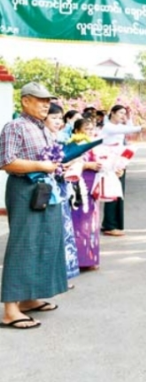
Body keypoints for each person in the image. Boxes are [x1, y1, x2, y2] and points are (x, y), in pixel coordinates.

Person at [0, 82, 67, 330]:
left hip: (45, 191)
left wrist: (59, 167)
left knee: (45, 241)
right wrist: (42, 167)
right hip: (24, 190)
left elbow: (49, 159)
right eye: (40, 100)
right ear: (25, 101)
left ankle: (28, 299)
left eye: (47, 100)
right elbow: (7, 162)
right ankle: (9, 309)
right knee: (23, 245)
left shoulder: (43, 129)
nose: (45, 104)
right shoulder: (15, 127)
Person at [44, 103, 79, 289]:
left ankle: (63, 275)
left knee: (64, 232)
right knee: (54, 233)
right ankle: (56, 277)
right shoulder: (42, 138)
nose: (58, 122)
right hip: (50, 191)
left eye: (60, 118)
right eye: (54, 118)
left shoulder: (60, 137)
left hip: (61, 188)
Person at [99, 105, 145, 237]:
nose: (122, 116)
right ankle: (110, 225)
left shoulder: (118, 127)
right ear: (112, 113)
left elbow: (127, 130)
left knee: (118, 192)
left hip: (119, 160)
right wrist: (140, 128)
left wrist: (129, 118)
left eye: (124, 113)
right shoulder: (108, 126)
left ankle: (111, 223)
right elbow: (128, 129)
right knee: (113, 192)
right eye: (120, 113)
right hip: (110, 162)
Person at [70, 118, 102, 271]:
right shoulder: (74, 145)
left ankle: (90, 259)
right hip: (79, 187)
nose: (90, 131)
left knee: (93, 223)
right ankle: (79, 259)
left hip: (93, 185)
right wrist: (87, 165)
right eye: (86, 129)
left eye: (92, 128)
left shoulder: (95, 145)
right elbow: (68, 163)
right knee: (80, 223)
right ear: (76, 131)